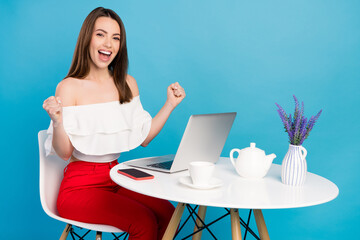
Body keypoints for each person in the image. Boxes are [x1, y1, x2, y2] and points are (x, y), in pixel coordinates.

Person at [42, 7, 185, 240]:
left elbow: (145, 138)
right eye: (100, 34)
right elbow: (65, 152)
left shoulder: (127, 83)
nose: (108, 43)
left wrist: (169, 104)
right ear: (87, 38)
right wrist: (57, 121)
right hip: (79, 186)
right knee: (143, 221)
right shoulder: (68, 87)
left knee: (168, 214)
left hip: (116, 175)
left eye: (115, 37)